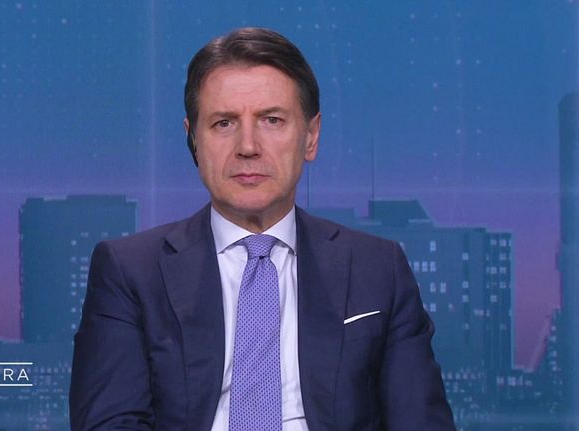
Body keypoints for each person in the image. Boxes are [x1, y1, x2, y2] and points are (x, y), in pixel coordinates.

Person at [70, 27, 456, 431]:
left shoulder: (377, 268)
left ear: (311, 137)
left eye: (272, 120)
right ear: (193, 140)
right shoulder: (130, 271)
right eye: (224, 123)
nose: (248, 146)